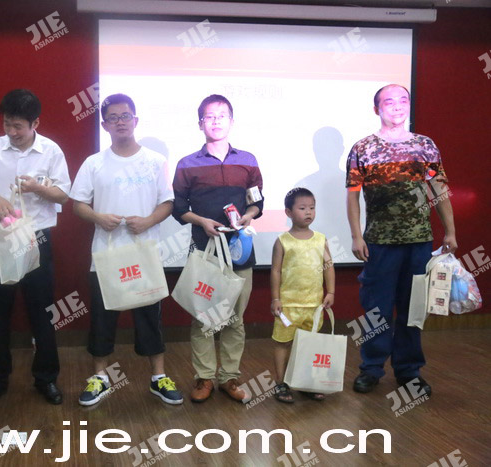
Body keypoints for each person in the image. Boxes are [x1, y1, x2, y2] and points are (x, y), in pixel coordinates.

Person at [70, 93, 183, 407]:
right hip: (106, 256)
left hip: (145, 253)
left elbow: (167, 203)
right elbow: (78, 204)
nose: (120, 122)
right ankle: (100, 377)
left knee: (150, 318)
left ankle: (159, 377)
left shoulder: (155, 161)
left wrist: (147, 221)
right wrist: (97, 217)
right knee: (102, 319)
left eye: (125, 116)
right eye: (113, 117)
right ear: (104, 125)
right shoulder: (94, 163)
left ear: (136, 120)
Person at [346, 84, 457, 396]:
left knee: (413, 309)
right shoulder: (363, 148)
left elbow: (439, 189)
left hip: (418, 241)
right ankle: (371, 369)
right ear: (377, 109)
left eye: (403, 100)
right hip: (379, 242)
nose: (397, 106)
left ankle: (409, 371)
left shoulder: (425, 145)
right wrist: (356, 235)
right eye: (389, 101)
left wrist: (450, 231)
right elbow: (352, 196)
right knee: (376, 308)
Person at [0, 89, 71, 407]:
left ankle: (46, 379)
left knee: (42, 313)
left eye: (18, 126)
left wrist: (39, 188)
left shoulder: (50, 150)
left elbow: (64, 194)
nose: (11, 132)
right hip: (1, 240)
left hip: (37, 239)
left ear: (35, 123)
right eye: (7, 124)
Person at [172, 94, 263, 403]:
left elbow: (257, 201)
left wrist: (249, 216)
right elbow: (178, 208)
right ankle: (204, 377)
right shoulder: (187, 164)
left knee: (236, 318)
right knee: (204, 318)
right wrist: (201, 221)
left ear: (231, 121)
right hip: (205, 250)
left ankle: (229, 377)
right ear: (200, 123)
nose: (216, 121)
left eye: (222, 115)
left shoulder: (248, 160)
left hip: (240, 250)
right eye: (209, 116)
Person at [270, 187, 335, 403]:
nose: (308, 212)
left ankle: (306, 382)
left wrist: (331, 291)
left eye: (312, 208)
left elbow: (328, 266)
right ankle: (281, 383)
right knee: (283, 343)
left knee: (310, 345)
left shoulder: (321, 239)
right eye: (302, 208)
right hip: (288, 306)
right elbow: (276, 271)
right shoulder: (283, 241)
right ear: (288, 212)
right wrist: (276, 298)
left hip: (313, 305)